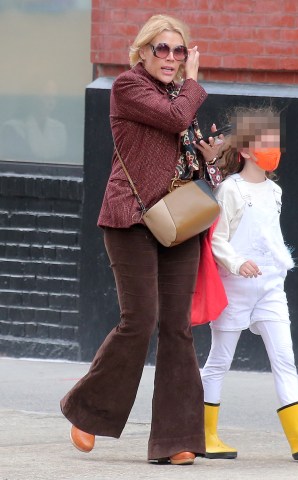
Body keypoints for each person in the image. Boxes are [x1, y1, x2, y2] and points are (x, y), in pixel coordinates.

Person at [60, 14, 223, 466]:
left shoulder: (182, 99)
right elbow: (174, 117)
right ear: (143, 53)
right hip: (131, 218)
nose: (171, 58)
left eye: (179, 50)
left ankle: (176, 439)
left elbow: (185, 146)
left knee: (177, 326)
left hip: (179, 221)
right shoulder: (128, 89)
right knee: (141, 319)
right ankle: (86, 411)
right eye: (162, 49)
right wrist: (194, 81)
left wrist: (211, 159)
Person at [200, 106, 298, 461]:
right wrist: (236, 262)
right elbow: (217, 238)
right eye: (266, 143)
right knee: (220, 359)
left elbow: (271, 235)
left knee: (285, 358)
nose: (273, 148)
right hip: (235, 286)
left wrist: (275, 268)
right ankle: (203, 433)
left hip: (270, 287)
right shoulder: (230, 190)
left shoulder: (274, 191)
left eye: (276, 142)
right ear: (246, 150)